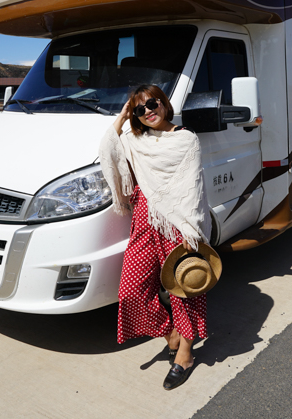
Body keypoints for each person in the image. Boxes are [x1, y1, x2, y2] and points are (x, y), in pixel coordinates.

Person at [98, 85, 210, 391]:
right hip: (145, 222)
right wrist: (121, 118)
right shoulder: (134, 140)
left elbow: (194, 189)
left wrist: (191, 231)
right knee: (132, 290)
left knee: (183, 291)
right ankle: (170, 334)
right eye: (139, 109)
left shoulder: (186, 139)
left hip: (178, 224)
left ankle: (185, 355)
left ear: (163, 103)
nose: (147, 111)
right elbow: (107, 151)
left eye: (152, 103)